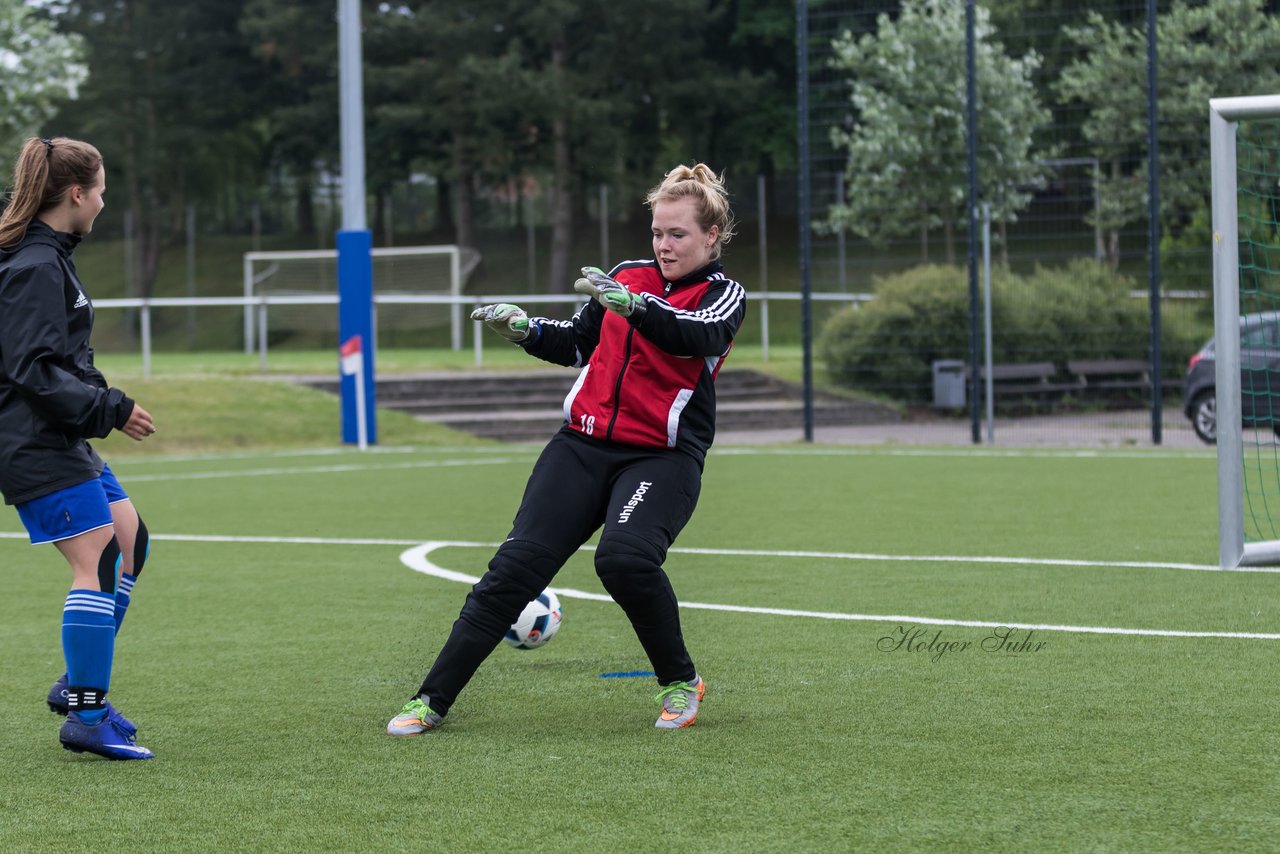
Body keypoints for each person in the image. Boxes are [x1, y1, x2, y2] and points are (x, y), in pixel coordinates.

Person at [388, 162, 745, 735]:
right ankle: (430, 700)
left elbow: (694, 332)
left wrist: (634, 306)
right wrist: (525, 329)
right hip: (579, 448)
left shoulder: (724, 296)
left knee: (624, 559)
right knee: (512, 572)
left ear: (711, 236)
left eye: (677, 234)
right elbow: (577, 344)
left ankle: (681, 683)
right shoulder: (627, 275)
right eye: (657, 232)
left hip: (661, 458)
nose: (664, 244)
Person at [0, 137, 157, 760]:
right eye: (100, 192)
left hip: (56, 432)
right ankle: (87, 719)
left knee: (130, 540)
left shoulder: (48, 255)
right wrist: (110, 408)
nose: (102, 203)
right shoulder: (36, 266)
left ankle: (77, 683)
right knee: (93, 559)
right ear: (75, 194)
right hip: (32, 436)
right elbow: (32, 370)